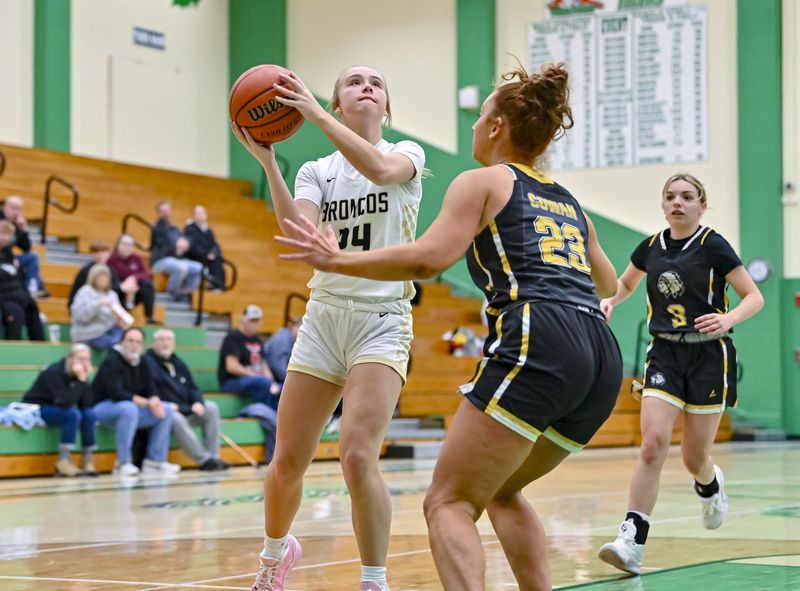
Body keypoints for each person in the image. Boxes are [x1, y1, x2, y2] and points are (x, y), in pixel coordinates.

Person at [277, 62, 622, 591]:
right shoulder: (570, 201)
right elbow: (606, 283)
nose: (474, 126)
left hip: (539, 336)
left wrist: (339, 261)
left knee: (449, 502)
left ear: (497, 127)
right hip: (600, 353)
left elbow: (427, 261)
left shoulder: (480, 180)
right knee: (502, 491)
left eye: (480, 115)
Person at [232, 64, 425, 591]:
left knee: (358, 455)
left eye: (377, 83)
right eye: (354, 82)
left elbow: (383, 173)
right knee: (287, 460)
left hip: (382, 319)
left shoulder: (407, 154)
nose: (367, 86)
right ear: (340, 103)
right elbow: (301, 233)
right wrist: (268, 162)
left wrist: (313, 113)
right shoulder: (316, 170)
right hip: (324, 318)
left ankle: (374, 580)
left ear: (386, 107)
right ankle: (275, 554)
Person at [596, 173, 764, 575]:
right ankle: (631, 541)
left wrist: (728, 320)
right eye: (670, 196)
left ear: (702, 205)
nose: (678, 202)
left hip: (709, 357)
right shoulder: (650, 246)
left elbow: (753, 296)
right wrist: (609, 301)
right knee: (652, 444)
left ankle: (709, 484)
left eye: (687, 197)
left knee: (694, 457)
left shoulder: (713, 246)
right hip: (665, 354)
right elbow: (625, 282)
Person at [91, 326, 181, 476]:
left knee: (166, 410)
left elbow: (151, 389)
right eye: (130, 340)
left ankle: (155, 462)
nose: (134, 345)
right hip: (102, 408)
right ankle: (122, 463)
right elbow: (116, 393)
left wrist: (155, 401)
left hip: (129, 409)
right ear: (122, 342)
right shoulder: (111, 360)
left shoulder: (143, 361)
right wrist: (147, 403)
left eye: (138, 342)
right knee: (128, 408)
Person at [145, 328, 230, 471]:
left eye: (169, 339)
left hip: (186, 409)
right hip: (164, 415)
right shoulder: (147, 363)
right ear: (153, 343)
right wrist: (187, 408)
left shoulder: (178, 363)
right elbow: (155, 394)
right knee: (174, 416)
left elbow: (192, 387)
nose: (166, 343)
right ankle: (204, 460)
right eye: (161, 339)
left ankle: (214, 456)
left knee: (211, 408)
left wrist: (198, 402)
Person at [22, 344, 97, 476]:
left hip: (58, 408)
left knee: (89, 414)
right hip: (38, 407)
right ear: (70, 358)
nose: (84, 363)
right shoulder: (54, 371)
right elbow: (64, 402)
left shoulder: (79, 374)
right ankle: (63, 460)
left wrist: (84, 381)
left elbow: (86, 404)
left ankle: (87, 458)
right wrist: (80, 381)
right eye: (80, 359)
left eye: (87, 359)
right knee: (72, 414)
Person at [217, 305, 279, 409]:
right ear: (243, 320)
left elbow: (263, 365)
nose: (254, 324)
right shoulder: (232, 338)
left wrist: (272, 382)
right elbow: (231, 367)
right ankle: (267, 415)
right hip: (232, 382)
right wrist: (253, 375)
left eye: (257, 321)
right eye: (252, 320)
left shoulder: (257, 340)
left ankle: (275, 417)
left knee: (279, 388)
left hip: (255, 380)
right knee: (262, 383)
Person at [70, 264, 133, 351]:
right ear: (93, 278)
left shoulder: (112, 295)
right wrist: (97, 305)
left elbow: (117, 318)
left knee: (127, 336)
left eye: (105, 278)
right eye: (100, 278)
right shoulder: (85, 292)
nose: (103, 280)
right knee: (111, 342)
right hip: (89, 333)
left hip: (109, 330)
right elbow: (79, 317)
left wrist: (119, 319)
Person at [0, 220, 45, 341]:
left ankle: (40, 348)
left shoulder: (8, 252)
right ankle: (13, 351)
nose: (5, 238)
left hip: (18, 295)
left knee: (33, 308)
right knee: (16, 313)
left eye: (8, 235)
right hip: (5, 299)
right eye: (2, 234)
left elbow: (18, 276)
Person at [150, 201, 202, 302]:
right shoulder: (156, 228)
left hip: (176, 259)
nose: (166, 213)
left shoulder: (174, 229)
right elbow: (168, 246)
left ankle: (187, 293)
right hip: (160, 261)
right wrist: (177, 247)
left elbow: (185, 242)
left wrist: (186, 245)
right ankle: (172, 293)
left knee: (199, 268)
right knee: (181, 267)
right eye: (163, 211)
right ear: (158, 213)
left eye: (167, 210)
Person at [0, 195, 49, 298]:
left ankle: (32, 288)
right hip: (4, 259)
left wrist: (24, 230)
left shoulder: (16, 223)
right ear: (5, 207)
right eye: (13, 208)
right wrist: (11, 259)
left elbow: (26, 248)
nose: (16, 212)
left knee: (33, 257)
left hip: (10, 258)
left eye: (19, 209)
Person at [108, 234, 159, 325]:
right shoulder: (110, 258)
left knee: (147, 285)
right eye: (124, 244)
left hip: (133, 291)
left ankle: (149, 317)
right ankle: (120, 318)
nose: (127, 247)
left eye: (130, 245)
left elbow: (145, 273)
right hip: (116, 292)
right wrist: (122, 287)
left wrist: (133, 278)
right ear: (117, 245)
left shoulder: (136, 258)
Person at [68, 241, 134, 310]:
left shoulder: (112, 270)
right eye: (96, 252)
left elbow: (114, 290)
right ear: (91, 254)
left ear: (108, 254)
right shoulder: (86, 271)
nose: (99, 255)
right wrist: (120, 288)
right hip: (87, 306)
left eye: (102, 252)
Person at [184, 205, 226, 290]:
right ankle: (213, 284)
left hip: (209, 258)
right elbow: (192, 246)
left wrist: (214, 252)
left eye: (202, 213)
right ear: (194, 215)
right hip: (196, 258)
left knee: (218, 259)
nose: (200, 216)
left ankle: (218, 285)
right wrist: (206, 255)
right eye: (198, 213)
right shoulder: (190, 229)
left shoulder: (208, 231)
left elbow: (215, 244)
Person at [262, 316, 301, 394]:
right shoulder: (284, 339)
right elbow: (278, 366)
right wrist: (294, 382)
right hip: (269, 380)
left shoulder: (290, 339)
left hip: (275, 379)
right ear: (295, 327)